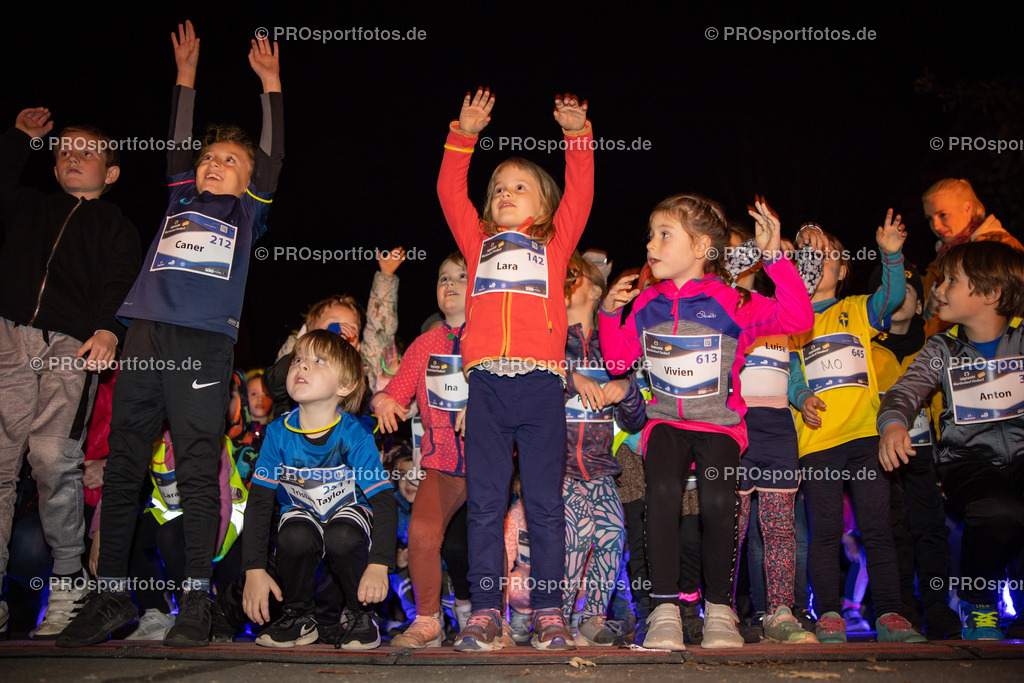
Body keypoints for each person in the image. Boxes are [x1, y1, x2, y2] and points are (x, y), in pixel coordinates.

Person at [57, 20, 284, 648]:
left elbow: (274, 157)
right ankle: (111, 601)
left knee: (193, 468)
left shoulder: (246, 214)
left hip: (205, 344)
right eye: (210, 158)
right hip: (146, 337)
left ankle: (194, 602)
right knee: (125, 466)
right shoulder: (181, 197)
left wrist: (270, 86)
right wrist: (184, 75)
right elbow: (179, 145)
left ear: (249, 179)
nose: (213, 165)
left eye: (230, 161)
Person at [599, 195, 813, 650]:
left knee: (718, 504)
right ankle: (664, 610)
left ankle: (719, 609)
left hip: (719, 426)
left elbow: (798, 316)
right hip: (664, 424)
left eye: (664, 234)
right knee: (661, 496)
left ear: (700, 247)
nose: (651, 244)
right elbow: (618, 361)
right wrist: (606, 313)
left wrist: (774, 257)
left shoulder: (732, 300)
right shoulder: (647, 303)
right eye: (651, 234)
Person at [437, 87, 593, 651]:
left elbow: (582, 192)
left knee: (546, 505)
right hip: (485, 390)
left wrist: (577, 135)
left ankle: (550, 611)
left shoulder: (554, 246)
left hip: (541, 388)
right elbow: (448, 191)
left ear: (544, 207)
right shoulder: (477, 246)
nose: (506, 193)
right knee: (485, 503)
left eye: (520, 186)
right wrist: (465, 136)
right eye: (498, 187)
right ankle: (485, 612)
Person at [0, 105, 141, 637]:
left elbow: (122, 281)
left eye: (87, 151)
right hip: (8, 337)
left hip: (69, 345)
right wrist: (20, 138)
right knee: (0, 462)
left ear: (111, 173)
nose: (71, 157)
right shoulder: (32, 208)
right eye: (63, 152)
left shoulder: (116, 225)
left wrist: (108, 329)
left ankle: (67, 582)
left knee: (52, 455)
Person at [788, 213, 925, 644]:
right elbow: (791, 373)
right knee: (825, 533)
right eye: (809, 258)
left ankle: (889, 613)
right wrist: (802, 398)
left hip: (866, 437)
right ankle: (829, 613)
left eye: (827, 257)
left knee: (878, 528)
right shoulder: (790, 320)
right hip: (818, 443)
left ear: (843, 270)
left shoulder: (856, 308)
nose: (818, 264)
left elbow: (894, 297)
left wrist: (891, 254)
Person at [878, 241, 1024, 639]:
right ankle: (978, 603)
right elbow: (903, 393)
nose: (938, 290)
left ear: (991, 293)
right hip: (968, 462)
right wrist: (893, 423)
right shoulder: (941, 348)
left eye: (952, 281)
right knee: (999, 509)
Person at [241, 330, 397, 649]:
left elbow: (384, 502)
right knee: (294, 533)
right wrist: (254, 570)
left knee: (342, 534)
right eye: (298, 359)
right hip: (304, 517)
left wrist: (380, 564)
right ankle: (299, 617)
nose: (303, 366)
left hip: (348, 518)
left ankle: (361, 614)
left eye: (319, 361)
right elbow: (258, 504)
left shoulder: (353, 435)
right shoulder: (277, 434)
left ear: (344, 386)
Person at [373, 252, 471, 649]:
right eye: (443, 278)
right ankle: (429, 620)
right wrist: (385, 401)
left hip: (490, 464)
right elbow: (396, 389)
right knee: (422, 533)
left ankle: (483, 617)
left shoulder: (495, 337)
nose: (449, 284)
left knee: (480, 545)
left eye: (461, 277)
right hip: (440, 463)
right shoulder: (424, 344)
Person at [728, 228, 821, 644]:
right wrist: (759, 248)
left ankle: (780, 610)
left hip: (777, 428)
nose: (738, 254)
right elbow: (728, 271)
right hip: (734, 426)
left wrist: (807, 242)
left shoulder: (779, 308)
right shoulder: (718, 302)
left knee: (780, 527)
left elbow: (806, 281)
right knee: (732, 526)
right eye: (728, 248)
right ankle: (720, 610)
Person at [868, 263, 961, 638]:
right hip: (882, 459)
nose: (898, 298)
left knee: (931, 531)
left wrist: (947, 461)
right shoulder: (866, 350)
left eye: (907, 291)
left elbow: (945, 409)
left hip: (926, 456)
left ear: (922, 305)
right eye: (887, 292)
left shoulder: (936, 348)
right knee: (892, 533)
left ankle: (937, 607)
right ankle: (900, 608)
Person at [560, 251, 643, 646]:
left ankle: (592, 617)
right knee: (573, 538)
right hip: (558, 467)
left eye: (573, 276)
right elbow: (532, 375)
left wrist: (626, 389)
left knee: (612, 534)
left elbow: (635, 419)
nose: (562, 281)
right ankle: (555, 617)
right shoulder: (550, 341)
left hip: (600, 465)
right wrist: (571, 377)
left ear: (594, 290)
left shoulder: (613, 347)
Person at [920, 179, 1023, 335]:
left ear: (967, 208)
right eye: (929, 218)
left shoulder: (1001, 249)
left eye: (943, 215)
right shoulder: (940, 259)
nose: (936, 226)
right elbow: (931, 318)